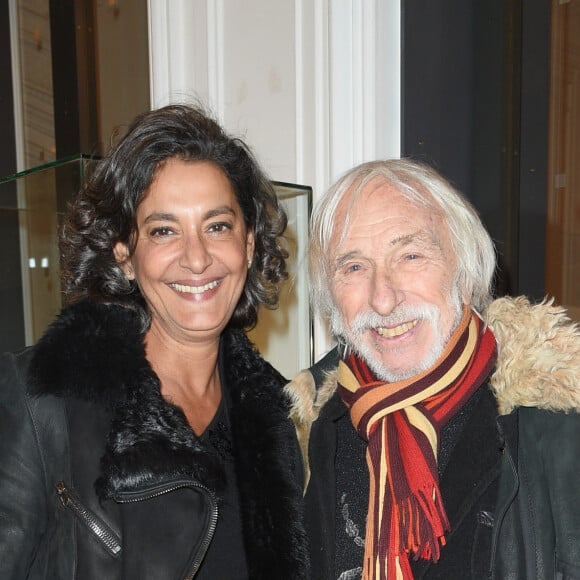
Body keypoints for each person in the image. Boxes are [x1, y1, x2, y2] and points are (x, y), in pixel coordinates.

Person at [0, 104, 310, 579]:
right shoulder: (43, 397)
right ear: (125, 254)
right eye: (164, 230)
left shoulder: (280, 418)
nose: (197, 258)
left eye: (218, 226)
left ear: (248, 245)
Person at [285, 158, 580, 580]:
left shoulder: (555, 428)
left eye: (410, 255)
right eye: (353, 267)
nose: (382, 299)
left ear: (464, 271)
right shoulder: (311, 429)